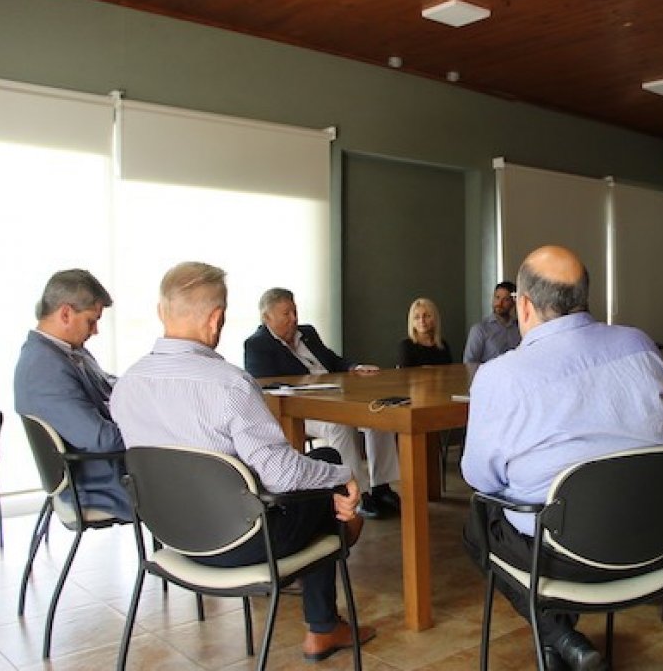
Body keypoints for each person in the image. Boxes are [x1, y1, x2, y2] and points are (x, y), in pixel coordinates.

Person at [110, 262, 375, 662]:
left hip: (171, 536)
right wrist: (344, 474)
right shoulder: (229, 384)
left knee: (319, 475)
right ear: (217, 319)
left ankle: (338, 551)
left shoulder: (126, 385)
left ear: (161, 312)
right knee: (325, 472)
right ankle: (323, 626)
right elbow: (283, 474)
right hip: (242, 542)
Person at [461, 246, 663, 671]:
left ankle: (559, 636)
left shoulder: (500, 376)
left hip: (569, 557)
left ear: (523, 306)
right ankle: (556, 645)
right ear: (584, 298)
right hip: (658, 540)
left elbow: (480, 479)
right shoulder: (639, 345)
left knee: (478, 522)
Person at [244, 288, 400, 519]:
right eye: (286, 314)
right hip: (300, 411)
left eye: (295, 311)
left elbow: (332, 359)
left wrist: (353, 368)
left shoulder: (307, 333)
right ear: (267, 318)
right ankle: (359, 494)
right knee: (339, 425)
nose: (294, 319)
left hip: (335, 398)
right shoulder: (257, 345)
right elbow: (265, 385)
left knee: (379, 415)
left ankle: (381, 486)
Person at [14, 269, 130, 520]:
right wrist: (154, 429)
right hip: (98, 484)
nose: (95, 330)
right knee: (188, 481)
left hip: (105, 469)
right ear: (65, 313)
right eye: (91, 321)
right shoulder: (44, 368)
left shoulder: (65, 350)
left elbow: (106, 384)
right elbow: (102, 439)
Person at [463, 280, 520, 364]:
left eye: (506, 299)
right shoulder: (480, 330)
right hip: (489, 375)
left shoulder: (519, 329)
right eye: (497, 297)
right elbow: (469, 362)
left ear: (513, 302)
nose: (499, 303)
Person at [397, 297, 452, 367]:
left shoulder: (443, 345)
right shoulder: (406, 346)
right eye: (417, 317)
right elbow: (405, 376)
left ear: (434, 319)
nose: (422, 321)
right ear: (412, 322)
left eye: (426, 316)